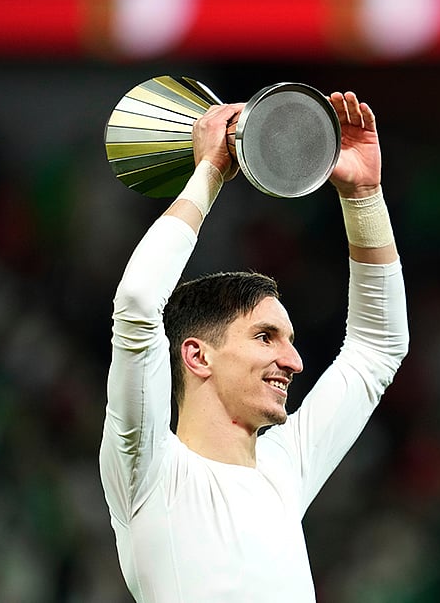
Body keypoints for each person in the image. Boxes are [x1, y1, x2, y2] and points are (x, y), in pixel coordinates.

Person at [99, 91, 409, 601]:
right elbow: (137, 302)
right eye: (266, 337)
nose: (294, 361)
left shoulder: (284, 469)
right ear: (197, 356)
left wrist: (364, 195)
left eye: (289, 341)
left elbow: (377, 348)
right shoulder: (149, 469)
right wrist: (209, 172)